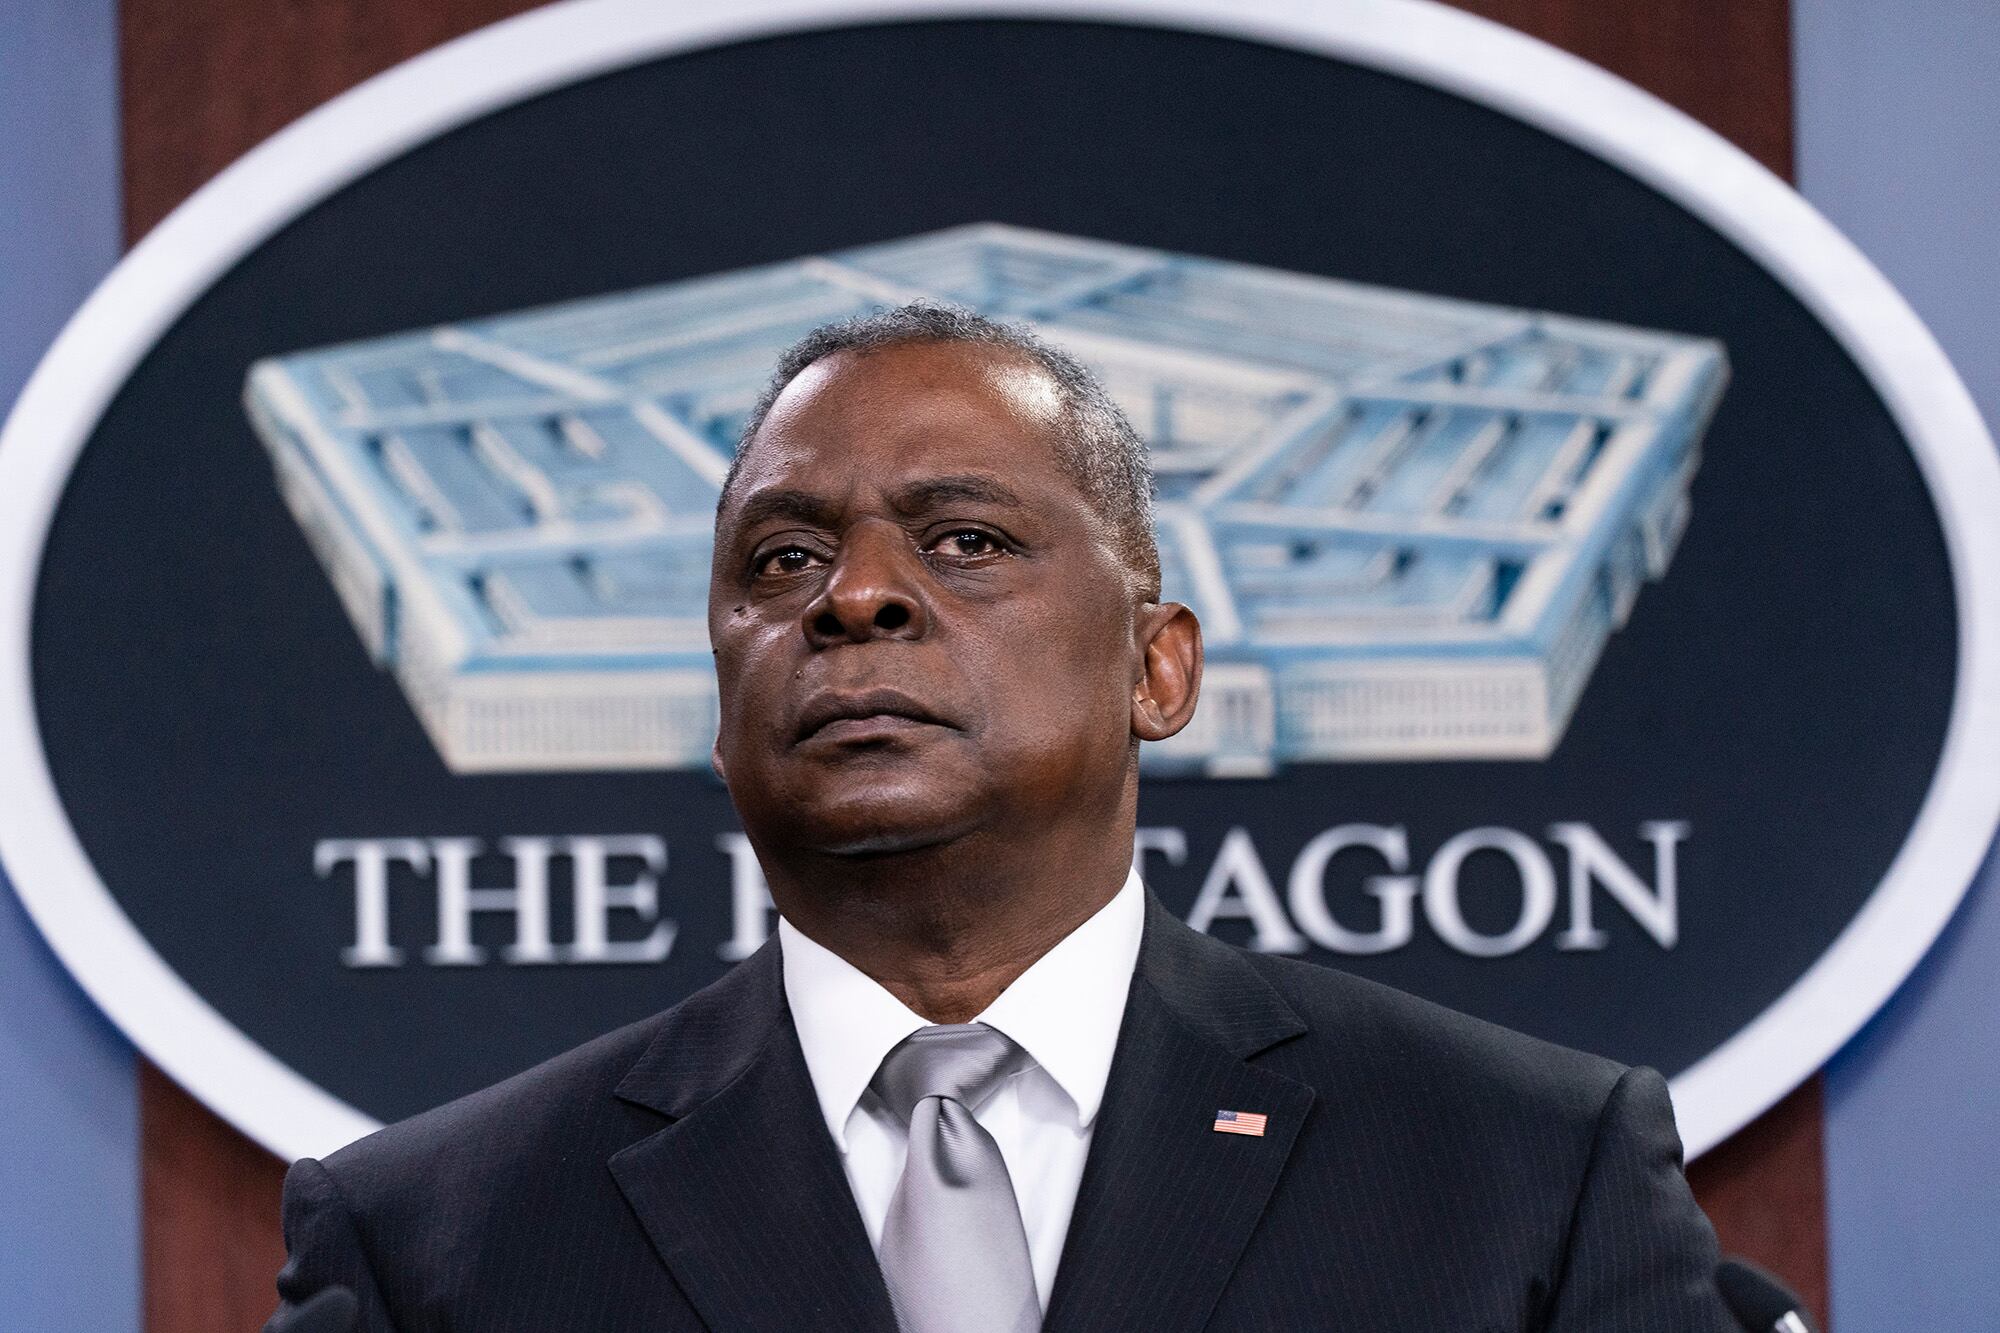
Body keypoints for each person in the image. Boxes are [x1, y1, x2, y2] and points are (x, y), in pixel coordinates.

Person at [267, 304, 1733, 1331]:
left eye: (966, 538)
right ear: (718, 697)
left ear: (1158, 668)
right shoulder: (432, 1237)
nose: (852, 595)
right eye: (780, 559)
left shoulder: (1526, 1166)